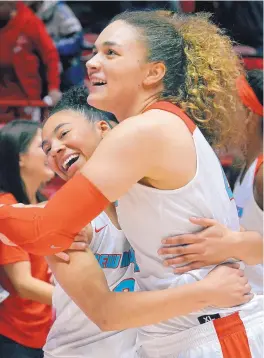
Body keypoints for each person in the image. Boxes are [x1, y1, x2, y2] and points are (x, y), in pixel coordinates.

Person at [0, 10, 262, 358]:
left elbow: (45, 230)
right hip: (176, 333)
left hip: (210, 331)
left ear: (153, 72)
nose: (92, 62)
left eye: (111, 53)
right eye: (95, 52)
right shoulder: (151, 136)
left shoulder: (145, 130)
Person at [36, 86, 248, 358]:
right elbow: (106, 315)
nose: (55, 149)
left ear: (104, 128)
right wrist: (206, 292)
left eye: (63, 134)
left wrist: (234, 242)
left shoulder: (150, 194)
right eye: (46, 148)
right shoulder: (68, 217)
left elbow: (247, 242)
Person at [0, 120, 55, 358]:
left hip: (46, 332)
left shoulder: (43, 204)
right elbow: (24, 285)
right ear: (20, 157)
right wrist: (85, 300)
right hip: (16, 337)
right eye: (42, 145)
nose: (51, 150)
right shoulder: (6, 209)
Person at [0, 1, 62, 120]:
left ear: (11, 4)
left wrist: (54, 88)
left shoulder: (29, 22)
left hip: (27, 100)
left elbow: (51, 56)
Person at [27, 0, 85, 91]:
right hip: (39, 71)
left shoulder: (58, 9)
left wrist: (50, 47)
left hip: (65, 67)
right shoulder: (20, 13)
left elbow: (77, 40)